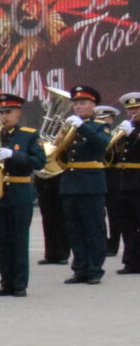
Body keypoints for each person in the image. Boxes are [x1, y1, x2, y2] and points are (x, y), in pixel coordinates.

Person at [0, 90, 46, 297]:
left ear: (18, 112)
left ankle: (19, 284)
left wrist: (15, 155)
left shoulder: (29, 134)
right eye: (1, 112)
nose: (4, 116)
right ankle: (5, 282)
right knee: (1, 239)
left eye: (8, 112)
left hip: (19, 191)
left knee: (18, 239)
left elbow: (38, 162)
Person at [57, 84, 112, 284]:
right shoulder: (68, 126)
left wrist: (82, 126)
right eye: (76, 104)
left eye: (83, 103)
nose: (78, 107)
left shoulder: (99, 125)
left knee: (93, 228)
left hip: (90, 184)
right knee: (74, 229)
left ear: (93, 105)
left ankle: (95, 268)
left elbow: (102, 144)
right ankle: (80, 268)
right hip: (70, 183)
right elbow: (59, 151)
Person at [113, 93, 140, 274]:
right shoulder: (126, 128)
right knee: (127, 223)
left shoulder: (132, 131)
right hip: (125, 180)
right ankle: (131, 261)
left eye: (136, 109)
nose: (132, 112)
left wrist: (132, 134)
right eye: (129, 109)